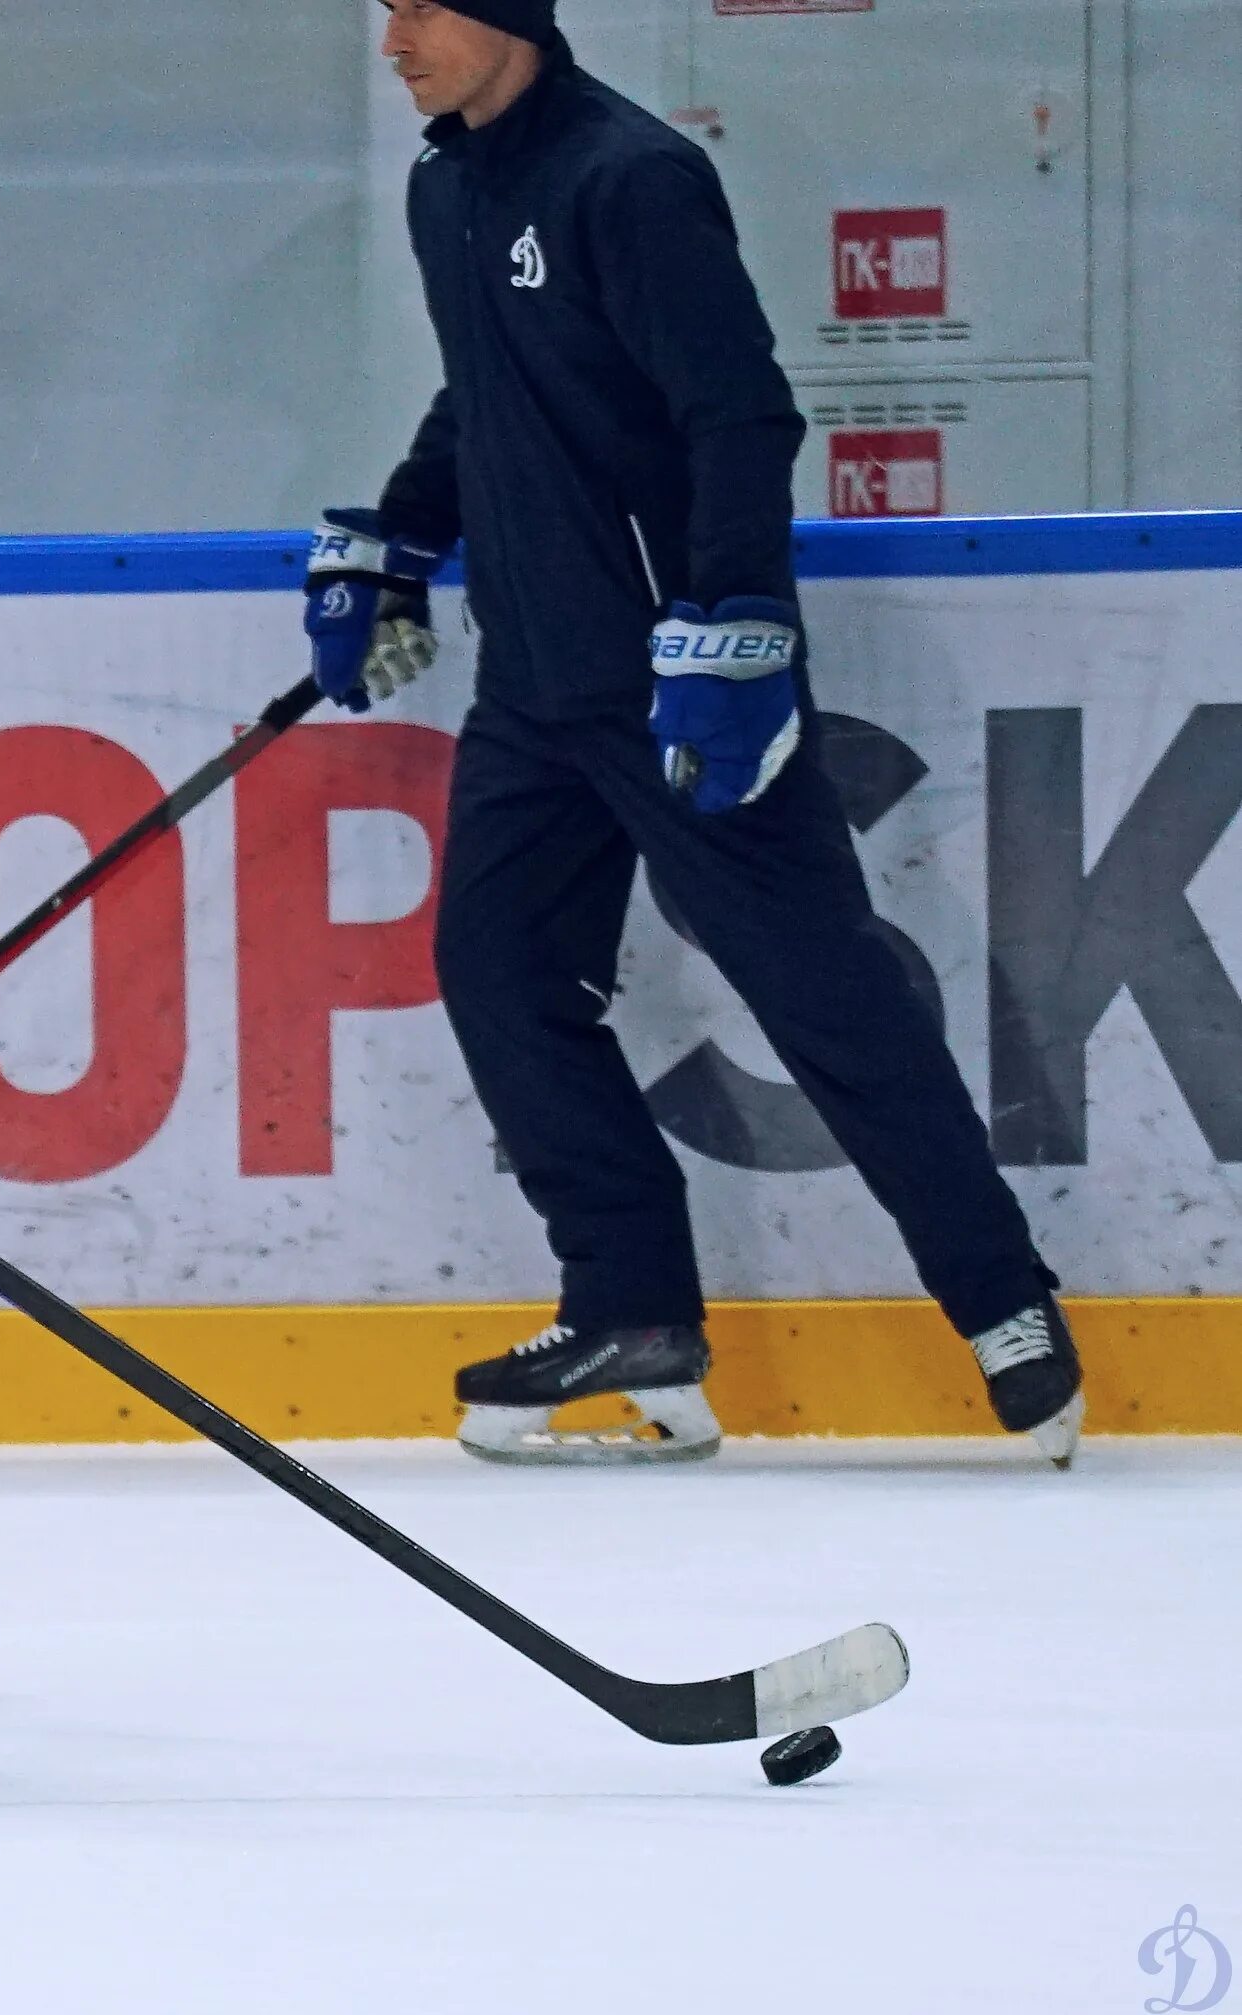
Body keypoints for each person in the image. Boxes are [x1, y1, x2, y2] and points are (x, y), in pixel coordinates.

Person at [303, 0, 1085, 1466]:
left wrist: (735, 628)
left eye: (416, 4)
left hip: (676, 673)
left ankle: (1003, 1302)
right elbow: (487, 396)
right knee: (500, 969)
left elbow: (739, 416)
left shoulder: (629, 177)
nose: (389, 36)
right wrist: (396, 540)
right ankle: (632, 1308)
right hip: (532, 689)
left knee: (819, 990)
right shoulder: (444, 182)